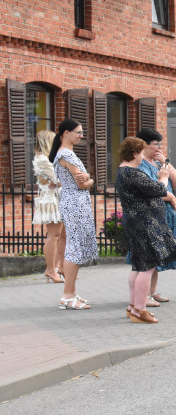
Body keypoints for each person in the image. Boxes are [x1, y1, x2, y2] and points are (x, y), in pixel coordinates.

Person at [116, 137, 176, 324]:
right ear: (135, 153)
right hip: (144, 224)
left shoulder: (123, 172)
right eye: (142, 153)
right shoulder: (132, 173)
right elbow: (159, 190)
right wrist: (163, 177)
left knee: (138, 266)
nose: (143, 157)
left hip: (136, 223)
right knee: (147, 267)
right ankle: (140, 310)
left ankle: (132, 306)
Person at [133, 128, 176, 307]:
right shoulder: (140, 165)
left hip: (165, 214)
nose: (159, 148)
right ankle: (142, 296)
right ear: (144, 145)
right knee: (149, 257)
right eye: (156, 144)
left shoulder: (158, 164)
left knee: (157, 257)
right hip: (151, 214)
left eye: (161, 144)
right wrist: (171, 197)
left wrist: (166, 163)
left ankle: (152, 292)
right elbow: (148, 191)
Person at [49, 119, 98, 310]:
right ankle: (67, 295)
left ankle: (72, 292)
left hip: (75, 201)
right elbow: (82, 182)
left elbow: (79, 179)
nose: (81, 135)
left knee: (75, 245)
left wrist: (87, 179)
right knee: (74, 248)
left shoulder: (66, 153)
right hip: (75, 201)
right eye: (78, 132)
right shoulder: (66, 154)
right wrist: (90, 179)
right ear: (66, 133)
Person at [32, 130, 66, 283]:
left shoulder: (47, 159)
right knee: (54, 236)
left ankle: (61, 267)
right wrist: (61, 179)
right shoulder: (42, 160)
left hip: (57, 198)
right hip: (50, 200)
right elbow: (59, 178)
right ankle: (50, 269)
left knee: (63, 235)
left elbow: (61, 178)